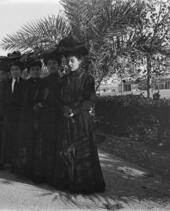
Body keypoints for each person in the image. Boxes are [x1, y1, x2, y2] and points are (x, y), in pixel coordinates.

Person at [58, 35, 105, 193]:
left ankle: (84, 184)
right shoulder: (64, 80)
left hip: (81, 120)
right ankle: (70, 183)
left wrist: (75, 111)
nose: (69, 64)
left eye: (72, 60)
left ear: (80, 61)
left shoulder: (87, 79)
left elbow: (90, 100)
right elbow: (60, 99)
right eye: (67, 61)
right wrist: (64, 109)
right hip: (66, 119)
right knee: (67, 151)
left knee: (83, 151)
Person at [16, 54, 46, 181]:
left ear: (40, 70)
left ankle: (39, 174)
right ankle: (26, 171)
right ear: (29, 72)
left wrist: (41, 104)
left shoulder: (45, 83)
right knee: (27, 144)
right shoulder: (24, 85)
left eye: (37, 69)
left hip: (42, 118)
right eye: (33, 70)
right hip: (28, 118)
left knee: (40, 145)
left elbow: (47, 98)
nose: (35, 72)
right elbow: (21, 101)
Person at [40, 48, 66, 187]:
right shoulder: (43, 81)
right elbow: (41, 99)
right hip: (47, 117)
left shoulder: (64, 80)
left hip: (60, 116)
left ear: (59, 64)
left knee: (60, 146)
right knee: (48, 145)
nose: (51, 66)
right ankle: (48, 175)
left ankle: (60, 177)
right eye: (49, 63)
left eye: (54, 63)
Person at [2, 51, 26, 172]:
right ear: (10, 71)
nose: (15, 72)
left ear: (20, 71)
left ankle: (19, 165)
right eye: (13, 70)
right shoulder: (6, 84)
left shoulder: (25, 84)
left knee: (19, 140)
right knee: (9, 139)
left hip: (21, 117)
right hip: (9, 117)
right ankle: (10, 163)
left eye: (17, 69)